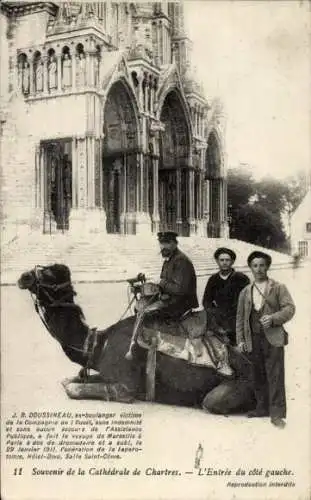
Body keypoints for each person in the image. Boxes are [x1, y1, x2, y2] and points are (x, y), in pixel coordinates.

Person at [236, 251, 295, 429]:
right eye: (255, 265)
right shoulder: (246, 291)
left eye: (262, 265)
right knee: (257, 373)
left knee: (275, 375)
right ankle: (261, 408)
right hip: (253, 338)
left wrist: (274, 318)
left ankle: (277, 414)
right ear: (250, 268)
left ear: (267, 266)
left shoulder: (278, 287)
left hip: (273, 338)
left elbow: (290, 308)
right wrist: (240, 339)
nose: (259, 269)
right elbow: (240, 318)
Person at [202, 247, 250, 345]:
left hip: (237, 321)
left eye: (227, 260)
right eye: (221, 260)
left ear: (232, 261)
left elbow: (247, 301)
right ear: (217, 261)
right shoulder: (213, 279)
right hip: (218, 320)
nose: (224, 263)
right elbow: (206, 301)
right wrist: (214, 313)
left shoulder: (241, 278)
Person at [154, 231, 199, 319]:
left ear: (175, 243)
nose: (163, 246)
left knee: (148, 314)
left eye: (167, 243)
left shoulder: (181, 260)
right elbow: (164, 281)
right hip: (170, 301)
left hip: (181, 305)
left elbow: (179, 289)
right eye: (161, 243)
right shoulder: (168, 259)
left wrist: (161, 282)